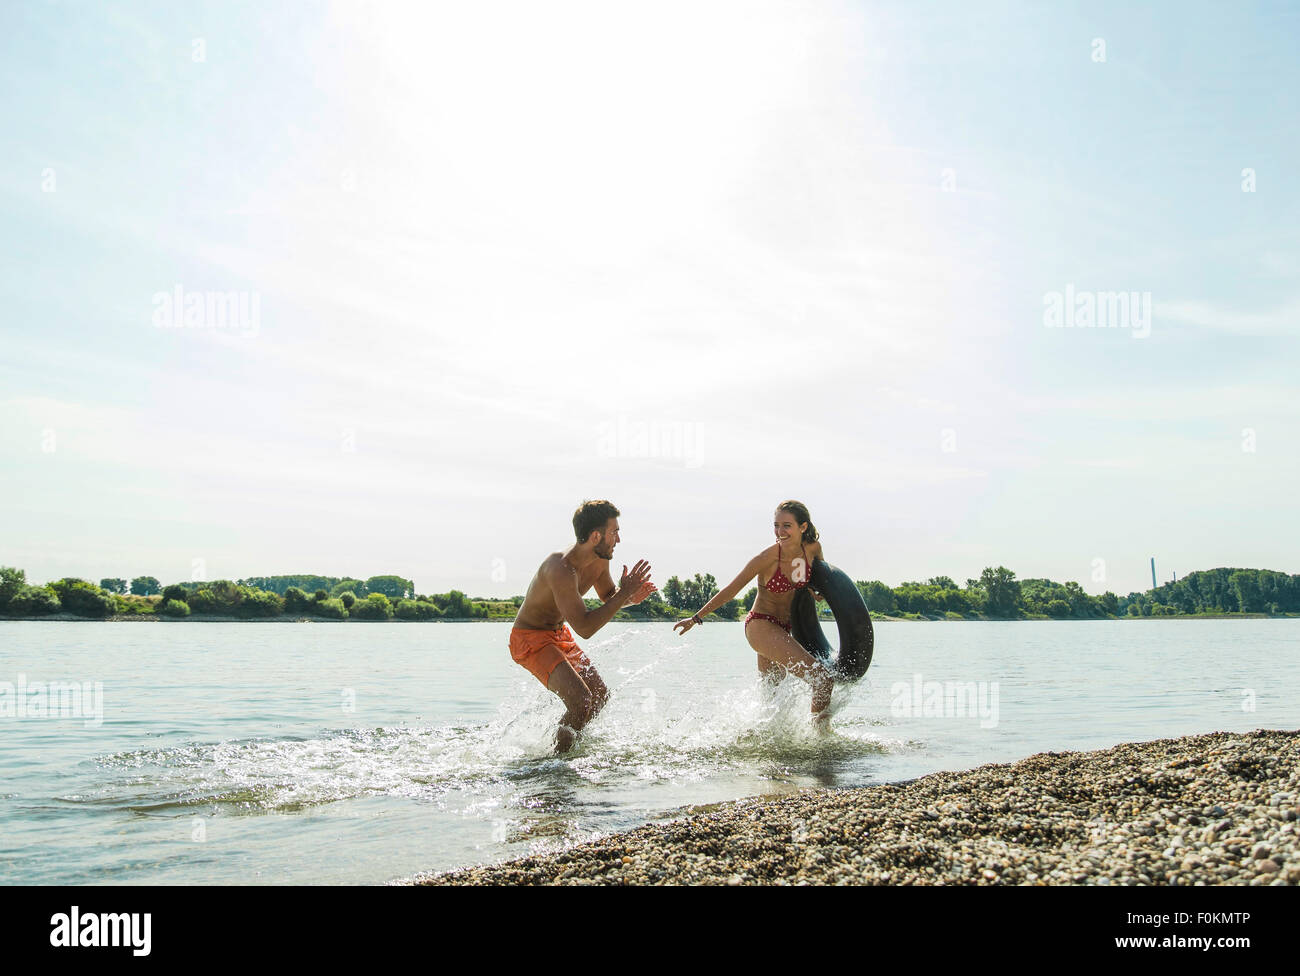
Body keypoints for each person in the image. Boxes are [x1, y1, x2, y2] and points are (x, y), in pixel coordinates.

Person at [672, 500, 833, 728]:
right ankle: (822, 739)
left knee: (773, 698)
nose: (780, 531)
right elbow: (731, 590)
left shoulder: (812, 549)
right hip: (762, 625)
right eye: (776, 525)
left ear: (803, 527)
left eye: (787, 525)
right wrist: (696, 617)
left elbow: (813, 581)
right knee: (822, 680)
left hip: (786, 628)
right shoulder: (766, 558)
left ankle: (762, 742)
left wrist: (816, 592)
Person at [510, 499, 656, 752]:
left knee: (598, 696)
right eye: (614, 533)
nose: (618, 540)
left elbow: (608, 596)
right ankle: (557, 763)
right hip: (530, 638)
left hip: (559, 635)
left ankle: (566, 749)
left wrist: (628, 597)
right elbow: (585, 629)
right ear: (596, 536)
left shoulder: (601, 559)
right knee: (581, 701)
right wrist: (624, 595)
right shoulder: (560, 569)